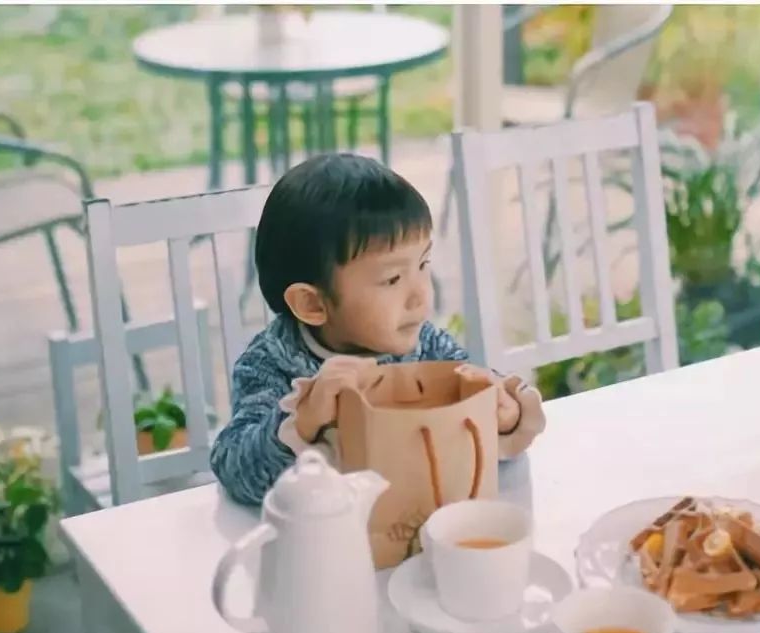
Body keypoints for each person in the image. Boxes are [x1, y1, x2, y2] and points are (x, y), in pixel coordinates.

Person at [210, 153, 545, 506]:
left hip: (418, 522)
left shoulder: (427, 345)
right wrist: (303, 420)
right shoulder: (270, 365)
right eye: (393, 278)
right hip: (329, 532)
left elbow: (477, 419)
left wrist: (503, 415)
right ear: (312, 304)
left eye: (423, 264)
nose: (421, 295)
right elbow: (236, 472)